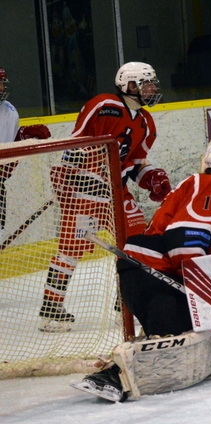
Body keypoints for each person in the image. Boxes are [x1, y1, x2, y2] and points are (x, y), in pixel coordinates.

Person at [72, 135, 211, 401]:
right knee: (175, 340)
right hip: (160, 277)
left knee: (168, 337)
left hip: (141, 275)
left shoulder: (194, 184)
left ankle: (113, 368)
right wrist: (196, 286)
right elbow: (186, 238)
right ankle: (110, 375)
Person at [38, 61, 172, 332]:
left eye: (152, 83)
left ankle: (125, 303)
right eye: (145, 83)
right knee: (71, 250)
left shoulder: (146, 123)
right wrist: (67, 173)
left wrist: (151, 177)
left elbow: (134, 162)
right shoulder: (104, 105)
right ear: (129, 85)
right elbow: (76, 140)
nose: (151, 89)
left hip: (118, 192)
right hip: (87, 190)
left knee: (137, 244)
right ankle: (51, 308)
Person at [0, 67, 52, 242]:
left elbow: (9, 141)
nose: (1, 88)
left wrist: (25, 134)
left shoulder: (9, 110)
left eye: (2, 84)